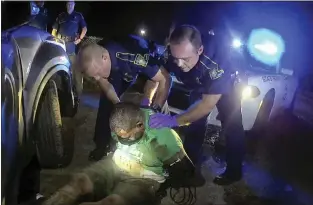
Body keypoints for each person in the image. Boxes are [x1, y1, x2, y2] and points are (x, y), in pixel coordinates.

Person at [42, 102, 194, 205]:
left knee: (113, 202)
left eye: (128, 137)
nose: (123, 140)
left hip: (144, 177)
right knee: (79, 181)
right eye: (119, 136)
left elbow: (184, 171)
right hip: (116, 163)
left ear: (140, 126)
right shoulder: (120, 121)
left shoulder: (163, 137)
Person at [149, 25, 245, 185]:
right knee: (194, 126)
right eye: (175, 58)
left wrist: (174, 121)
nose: (179, 64)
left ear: (199, 50)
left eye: (185, 59)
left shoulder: (215, 64)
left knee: (232, 128)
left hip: (227, 86)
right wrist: (153, 104)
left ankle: (234, 172)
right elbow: (160, 77)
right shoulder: (171, 54)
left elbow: (207, 104)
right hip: (198, 85)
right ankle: (190, 170)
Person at [77, 35, 172, 161]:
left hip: (139, 69)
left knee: (157, 108)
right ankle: (102, 145)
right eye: (93, 77)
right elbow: (106, 85)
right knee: (106, 104)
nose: (96, 79)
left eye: (97, 74)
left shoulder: (135, 56)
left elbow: (163, 79)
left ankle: (165, 148)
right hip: (117, 71)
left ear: (105, 58)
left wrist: (153, 105)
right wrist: (117, 105)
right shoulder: (98, 63)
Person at [52, 0, 87, 97]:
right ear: (66, 5)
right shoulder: (61, 15)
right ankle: (60, 93)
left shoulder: (78, 15)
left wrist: (80, 39)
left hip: (72, 48)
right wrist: (54, 40)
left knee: (76, 71)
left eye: (71, 3)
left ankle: (78, 95)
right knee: (60, 71)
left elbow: (84, 29)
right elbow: (54, 29)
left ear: (74, 5)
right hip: (61, 47)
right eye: (68, 3)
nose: (69, 5)